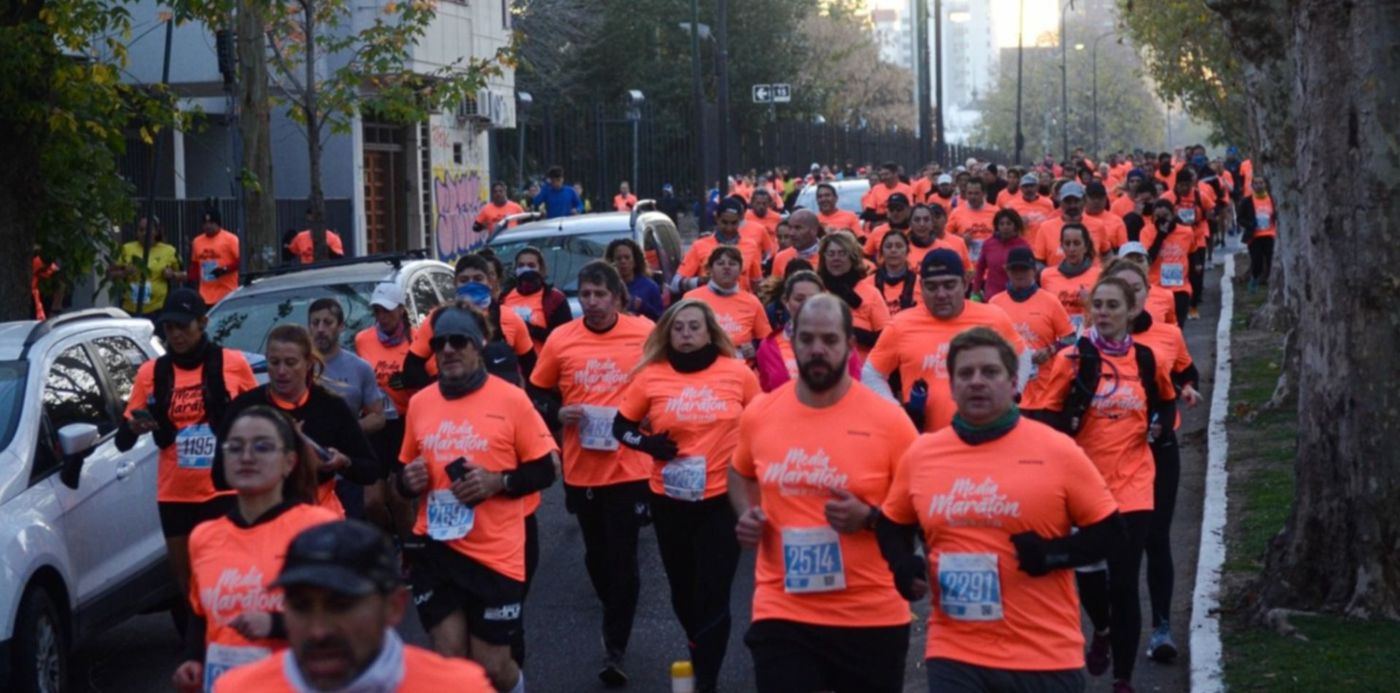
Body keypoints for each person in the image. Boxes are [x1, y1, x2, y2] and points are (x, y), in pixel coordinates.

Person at [876, 327, 1123, 693]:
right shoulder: (923, 453)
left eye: (989, 373)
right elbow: (892, 523)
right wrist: (902, 565)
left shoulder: (1057, 450)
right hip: (956, 654)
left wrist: (1053, 554)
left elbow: (1112, 534)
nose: (977, 382)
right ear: (951, 384)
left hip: (1043, 655)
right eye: (965, 373)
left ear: (1013, 383)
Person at [731, 294, 919, 693]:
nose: (818, 350)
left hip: (870, 613)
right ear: (793, 342)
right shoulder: (761, 413)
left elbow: (922, 510)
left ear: (850, 346)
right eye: (808, 339)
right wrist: (747, 514)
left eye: (830, 340)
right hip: (783, 607)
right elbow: (739, 471)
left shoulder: (890, 421)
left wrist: (869, 519)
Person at [1022, 277, 1176, 693]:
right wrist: (1067, 423)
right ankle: (1102, 628)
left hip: (1134, 485)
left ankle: (1123, 677)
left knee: (1125, 582)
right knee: (1090, 577)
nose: (1104, 313)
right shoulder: (1071, 359)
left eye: (1113, 306)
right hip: (1082, 487)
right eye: (1099, 306)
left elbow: (1166, 397)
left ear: (1130, 312)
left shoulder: (1146, 359)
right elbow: (1042, 415)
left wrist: (1160, 426)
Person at [398, 306, 558, 692]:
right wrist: (407, 480)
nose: (448, 350)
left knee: (493, 666)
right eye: (439, 344)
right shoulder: (420, 403)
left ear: (478, 345)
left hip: (494, 552)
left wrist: (497, 481)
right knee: (449, 658)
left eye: (458, 341)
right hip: (436, 548)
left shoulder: (511, 400)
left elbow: (546, 470)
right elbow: (403, 476)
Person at [613, 299, 761, 693]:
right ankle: (700, 649)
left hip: (720, 500)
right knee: (683, 593)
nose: (686, 335)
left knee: (713, 591)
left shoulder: (737, 373)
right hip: (671, 500)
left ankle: (705, 679)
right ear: (667, 333)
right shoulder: (651, 377)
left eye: (694, 327)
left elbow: (762, 424)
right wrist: (649, 446)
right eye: (678, 328)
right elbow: (620, 427)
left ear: (710, 332)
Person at [528, 261, 654, 686]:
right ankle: (612, 606)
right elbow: (538, 392)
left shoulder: (644, 332)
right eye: (586, 294)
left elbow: (665, 379)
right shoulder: (562, 339)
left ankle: (615, 644)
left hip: (631, 464)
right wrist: (555, 412)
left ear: (619, 298)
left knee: (623, 556)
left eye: (602, 294)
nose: (594, 302)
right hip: (582, 466)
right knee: (598, 557)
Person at [212, 520, 496, 692]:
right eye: (300, 606)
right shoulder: (237, 689)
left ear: (394, 607)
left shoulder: (459, 688)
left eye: (341, 606)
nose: (318, 631)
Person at [172, 406, 338, 693]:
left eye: (262, 447)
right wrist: (192, 661)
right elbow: (202, 616)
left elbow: (347, 621)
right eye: (235, 447)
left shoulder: (317, 528)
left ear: (289, 462)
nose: (246, 457)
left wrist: (275, 624)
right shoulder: (205, 536)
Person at [116, 288, 259, 618]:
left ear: (203, 323)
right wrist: (135, 428)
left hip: (224, 486)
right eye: (169, 328)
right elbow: (123, 439)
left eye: (184, 327)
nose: (176, 335)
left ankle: (231, 641)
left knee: (225, 575)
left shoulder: (232, 363)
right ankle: (201, 647)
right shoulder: (152, 373)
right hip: (175, 493)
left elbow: (259, 417)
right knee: (187, 582)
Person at [1103, 259, 1202, 663]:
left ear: (1145, 294)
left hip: (1159, 451)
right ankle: (1111, 627)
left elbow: (1187, 371)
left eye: (1136, 289)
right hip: (1110, 456)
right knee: (1113, 547)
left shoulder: (1168, 334)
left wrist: (1189, 388)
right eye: (1120, 290)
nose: (1129, 297)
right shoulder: (1092, 344)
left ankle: (1161, 627)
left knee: (1156, 539)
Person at [213, 324, 379, 517]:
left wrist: (343, 462)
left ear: (308, 362)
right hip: (261, 516)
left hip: (318, 518)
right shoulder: (245, 408)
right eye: (274, 362)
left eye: (291, 362)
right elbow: (219, 476)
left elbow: (370, 470)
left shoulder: (330, 406)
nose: (281, 371)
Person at [863, 249, 1024, 433]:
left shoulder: (993, 318)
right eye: (932, 287)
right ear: (921, 287)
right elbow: (871, 373)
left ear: (964, 283)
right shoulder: (900, 325)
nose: (941, 294)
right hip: (924, 442)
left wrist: (1013, 393)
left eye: (949, 285)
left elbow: (1021, 354)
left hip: (986, 437)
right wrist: (896, 411)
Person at [308, 298, 387, 520]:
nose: (320, 329)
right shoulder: (297, 367)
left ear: (341, 326)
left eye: (327, 322)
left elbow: (378, 417)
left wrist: (346, 431)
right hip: (306, 476)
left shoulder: (359, 368)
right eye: (315, 323)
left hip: (346, 472)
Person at [354, 283, 421, 538]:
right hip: (376, 423)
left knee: (398, 495)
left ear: (401, 310)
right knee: (371, 501)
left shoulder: (416, 341)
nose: (382, 317)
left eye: (388, 311)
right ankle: (388, 538)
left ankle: (410, 549)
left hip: (406, 424)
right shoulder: (363, 339)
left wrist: (410, 381)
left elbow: (431, 383)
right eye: (378, 311)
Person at [989, 247, 1075, 402]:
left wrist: (1050, 350)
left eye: (1024, 269)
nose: (1019, 274)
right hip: (1006, 394)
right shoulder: (995, 304)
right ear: (1007, 271)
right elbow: (984, 345)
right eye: (1014, 269)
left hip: (1043, 393)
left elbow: (1071, 339)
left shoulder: (1051, 302)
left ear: (1034, 271)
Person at [686, 246, 771, 360]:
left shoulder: (752, 302)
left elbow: (767, 341)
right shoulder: (692, 299)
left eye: (732, 264)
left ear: (741, 270)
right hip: (703, 366)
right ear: (710, 269)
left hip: (741, 368)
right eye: (720, 263)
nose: (726, 267)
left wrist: (755, 349)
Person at [818, 232, 890, 356]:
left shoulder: (871, 293)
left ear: (852, 257)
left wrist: (849, 332)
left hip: (862, 368)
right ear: (824, 258)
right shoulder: (816, 291)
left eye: (842, 253)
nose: (836, 258)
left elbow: (886, 339)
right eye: (831, 253)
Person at [675, 198, 764, 293]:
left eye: (734, 223)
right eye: (724, 222)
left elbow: (756, 283)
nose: (729, 228)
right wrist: (702, 281)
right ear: (717, 219)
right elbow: (675, 284)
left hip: (740, 304)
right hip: (708, 304)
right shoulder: (699, 245)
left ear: (740, 221)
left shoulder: (751, 246)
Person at [1160, 167, 1214, 319]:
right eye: (1181, 185)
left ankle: (1194, 305)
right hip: (1176, 241)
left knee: (1197, 274)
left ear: (1192, 184)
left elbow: (1211, 210)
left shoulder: (1199, 195)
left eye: (1187, 185)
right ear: (1176, 184)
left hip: (1198, 239)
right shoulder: (1168, 197)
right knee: (1177, 275)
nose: (1184, 188)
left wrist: (1206, 216)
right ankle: (1174, 306)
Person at [500, 246, 574, 352]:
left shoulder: (555, 299)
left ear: (541, 269)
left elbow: (564, 338)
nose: (525, 269)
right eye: (521, 265)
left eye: (531, 265)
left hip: (543, 362)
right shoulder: (504, 297)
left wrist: (528, 329)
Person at [111, 215, 182, 319]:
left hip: (158, 309)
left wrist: (172, 274)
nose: (144, 233)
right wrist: (124, 272)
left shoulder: (169, 251)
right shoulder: (126, 249)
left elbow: (185, 275)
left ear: (156, 232)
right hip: (131, 309)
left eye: (148, 230)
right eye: (141, 230)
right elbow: (110, 273)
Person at [1038, 222, 1102, 335]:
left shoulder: (1099, 274)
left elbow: (1106, 313)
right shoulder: (1046, 275)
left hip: (1088, 336)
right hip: (1056, 336)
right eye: (1067, 244)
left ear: (1086, 246)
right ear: (1061, 246)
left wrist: (1089, 302)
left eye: (1077, 243)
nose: (1072, 249)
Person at [1140, 199, 1197, 324]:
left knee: (1177, 325)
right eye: (1157, 217)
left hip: (1179, 287)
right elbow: (1147, 259)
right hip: (1156, 288)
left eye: (1165, 216)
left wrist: (1195, 287)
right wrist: (1160, 236)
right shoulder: (1147, 232)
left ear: (1173, 215)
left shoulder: (1186, 232)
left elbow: (1191, 256)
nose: (1162, 220)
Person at [1031, 181, 1108, 267]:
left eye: (1076, 201)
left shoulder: (1098, 225)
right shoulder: (1045, 228)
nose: (1072, 206)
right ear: (1060, 202)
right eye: (1068, 201)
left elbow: (1107, 254)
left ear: (1084, 201)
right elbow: (1039, 261)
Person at [972, 208, 1031, 300]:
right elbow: (980, 268)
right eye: (1001, 224)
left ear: (1015, 226)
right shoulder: (988, 244)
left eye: (1009, 224)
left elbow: (1030, 273)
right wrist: (975, 291)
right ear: (997, 227)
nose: (1005, 227)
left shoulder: (1023, 246)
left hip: (1016, 296)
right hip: (992, 295)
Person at [1116, 242, 1179, 325]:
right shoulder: (1109, 295)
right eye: (1129, 261)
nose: (1135, 265)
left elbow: (1172, 329)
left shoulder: (1166, 296)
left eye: (1140, 260)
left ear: (1149, 264)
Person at [190, 209, 240, 306]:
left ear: (218, 223)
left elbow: (240, 261)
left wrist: (224, 270)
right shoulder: (197, 241)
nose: (208, 226)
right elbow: (195, 265)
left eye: (211, 223)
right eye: (205, 223)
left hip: (226, 293)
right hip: (205, 296)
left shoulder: (231, 239)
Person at [607, 238, 664, 320]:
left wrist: (643, 307)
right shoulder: (605, 288)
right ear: (612, 262)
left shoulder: (650, 287)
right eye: (618, 258)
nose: (623, 262)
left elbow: (661, 320)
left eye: (627, 258)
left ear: (635, 260)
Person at [946, 178, 998, 266]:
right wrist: (960, 239)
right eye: (970, 193)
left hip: (991, 265)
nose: (973, 197)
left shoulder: (995, 211)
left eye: (976, 193)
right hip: (968, 266)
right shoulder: (957, 212)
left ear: (984, 194)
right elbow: (945, 236)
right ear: (966, 193)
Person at [1238, 174, 1277, 289]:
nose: (1259, 185)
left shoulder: (1272, 199)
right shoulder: (1247, 201)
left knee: (1271, 260)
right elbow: (1240, 219)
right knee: (1257, 262)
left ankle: (1271, 282)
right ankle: (1254, 282)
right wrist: (1250, 224)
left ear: (1265, 185)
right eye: (1256, 183)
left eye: (1261, 183)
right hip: (1254, 236)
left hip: (1270, 235)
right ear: (1252, 186)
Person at [873, 230, 921, 316]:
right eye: (888, 246)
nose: (893, 250)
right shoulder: (868, 283)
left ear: (907, 251)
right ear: (881, 251)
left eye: (899, 246)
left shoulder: (921, 283)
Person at [1001, 173, 1056, 242]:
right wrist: (1018, 222)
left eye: (1032, 186)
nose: (1029, 189)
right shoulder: (1011, 205)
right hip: (1021, 244)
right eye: (1026, 186)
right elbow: (1005, 227)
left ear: (1037, 187)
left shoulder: (1048, 203)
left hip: (1041, 243)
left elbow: (1053, 225)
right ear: (1020, 188)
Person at [770, 209, 822, 279]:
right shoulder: (781, 258)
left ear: (814, 230)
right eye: (790, 228)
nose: (791, 233)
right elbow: (774, 288)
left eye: (798, 228)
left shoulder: (829, 256)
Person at [861, 192, 913, 258]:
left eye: (899, 209)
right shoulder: (877, 232)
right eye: (891, 209)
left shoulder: (915, 231)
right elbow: (865, 256)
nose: (895, 212)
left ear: (908, 210)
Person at [1085, 181, 1129, 255]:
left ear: (1105, 199)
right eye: (1093, 197)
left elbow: (1123, 250)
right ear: (1085, 198)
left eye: (1100, 198)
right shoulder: (1077, 219)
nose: (1096, 201)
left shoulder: (1117, 221)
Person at [743, 188, 781, 260]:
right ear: (752, 203)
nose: (761, 206)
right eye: (758, 203)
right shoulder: (745, 217)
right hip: (752, 256)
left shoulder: (776, 217)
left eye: (764, 203)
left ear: (769, 204)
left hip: (772, 258)